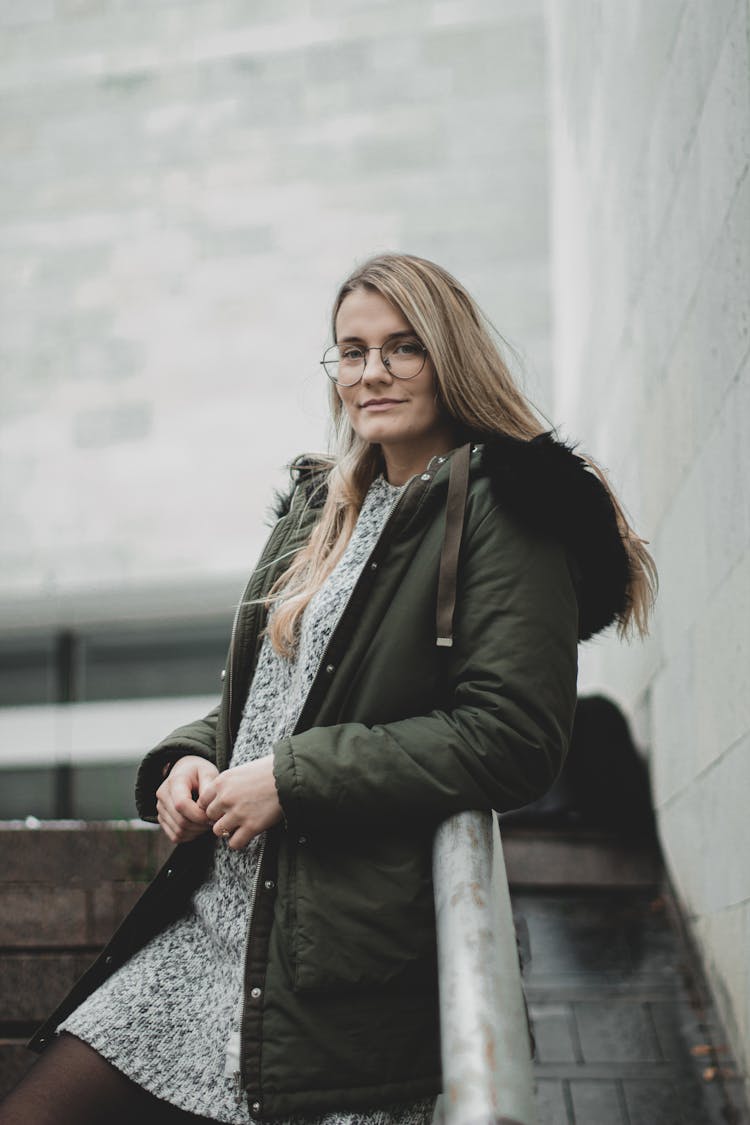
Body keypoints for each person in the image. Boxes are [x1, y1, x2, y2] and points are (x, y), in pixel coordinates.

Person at [1, 253, 656, 1125]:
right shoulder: (322, 503)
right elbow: (271, 696)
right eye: (351, 351)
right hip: (210, 932)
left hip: (333, 967)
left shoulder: (505, 507)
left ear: (449, 354)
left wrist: (291, 778)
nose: (372, 373)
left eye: (402, 348)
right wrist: (191, 759)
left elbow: (513, 737)